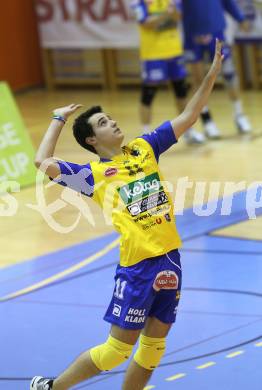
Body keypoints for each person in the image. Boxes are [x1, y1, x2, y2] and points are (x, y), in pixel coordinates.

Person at [30, 40, 223, 390]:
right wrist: (58, 118)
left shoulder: (144, 147)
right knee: (116, 351)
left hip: (171, 260)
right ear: (92, 139)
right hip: (138, 268)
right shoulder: (91, 175)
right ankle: (50, 388)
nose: (114, 123)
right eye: (104, 122)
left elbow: (188, 116)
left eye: (111, 118)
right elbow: (41, 163)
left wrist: (210, 74)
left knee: (152, 349)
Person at [131, 0, 205, 144]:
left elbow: (178, 17)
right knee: (148, 95)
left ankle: (188, 132)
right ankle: (144, 136)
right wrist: (165, 14)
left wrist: (174, 13)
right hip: (152, 55)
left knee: (181, 92)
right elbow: (145, 23)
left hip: (174, 52)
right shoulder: (139, 2)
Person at [181, 0, 252, 138]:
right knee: (199, 81)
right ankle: (207, 122)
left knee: (229, 74)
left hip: (216, 31)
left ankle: (239, 115)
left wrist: (240, 18)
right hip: (193, 35)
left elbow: (228, 2)